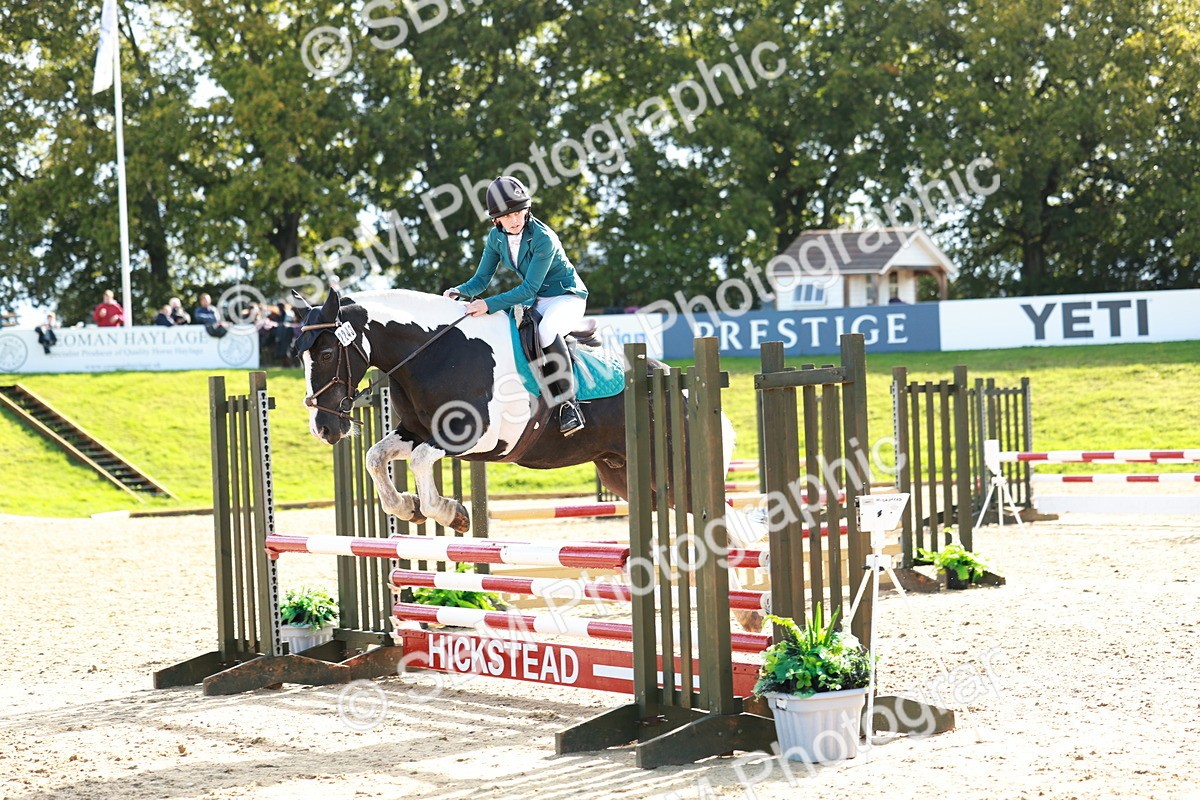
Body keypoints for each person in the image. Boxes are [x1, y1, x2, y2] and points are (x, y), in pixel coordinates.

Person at [443, 176, 589, 436]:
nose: (515, 219)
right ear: (496, 220)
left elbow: (528, 289)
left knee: (545, 332)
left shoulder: (544, 238)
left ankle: (569, 405)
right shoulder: (496, 238)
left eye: (519, 212)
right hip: (537, 300)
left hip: (566, 297)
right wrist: (459, 291)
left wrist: (488, 304)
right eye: (508, 215)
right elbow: (481, 279)